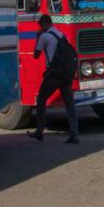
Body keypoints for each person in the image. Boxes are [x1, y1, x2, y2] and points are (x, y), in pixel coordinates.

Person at [28, 15, 79, 144]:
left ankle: (39, 131)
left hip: (54, 74)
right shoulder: (61, 35)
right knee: (69, 103)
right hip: (66, 73)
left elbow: (36, 55)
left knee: (41, 99)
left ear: (44, 24)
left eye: (41, 26)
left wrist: (38, 37)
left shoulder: (44, 36)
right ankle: (74, 133)